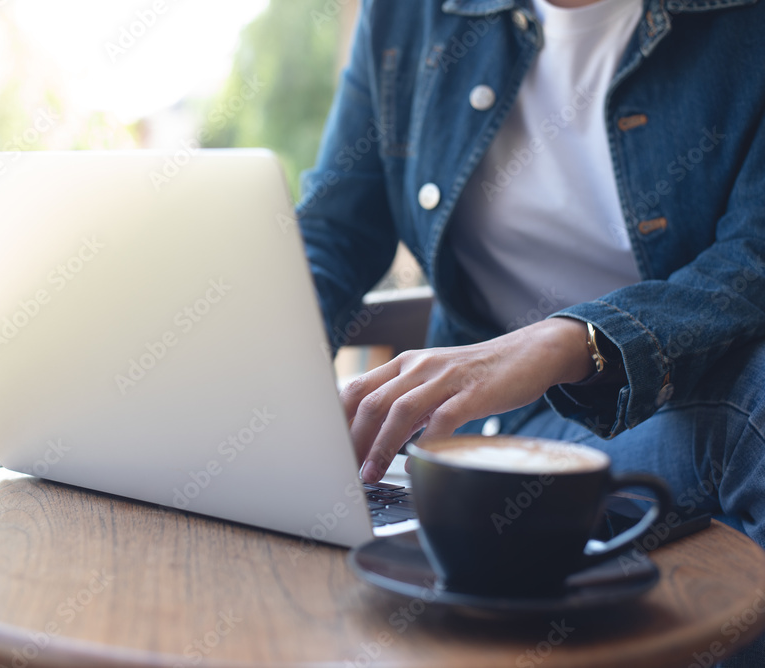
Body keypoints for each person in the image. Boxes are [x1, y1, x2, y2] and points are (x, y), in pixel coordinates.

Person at [298, 0, 765, 664]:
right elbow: (333, 234)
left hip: (676, 411)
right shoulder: (409, 16)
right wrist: (258, 367)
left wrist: (563, 341)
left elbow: (753, 258)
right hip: (474, 437)